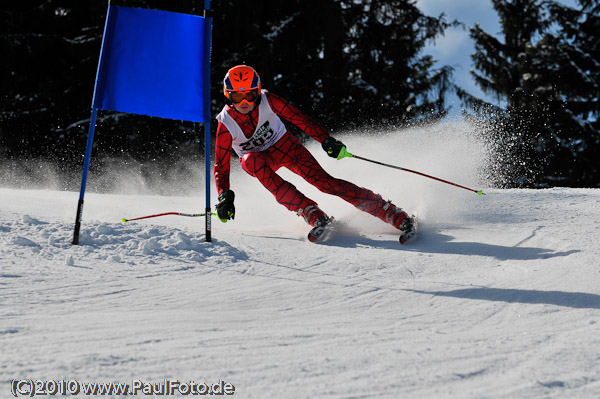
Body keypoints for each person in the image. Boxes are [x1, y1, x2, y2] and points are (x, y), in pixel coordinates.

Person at [214, 65, 414, 238]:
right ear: (228, 95)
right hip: (259, 161)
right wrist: (224, 195)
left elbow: (299, 119)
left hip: (286, 147)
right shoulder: (226, 124)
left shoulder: (268, 100)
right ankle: (309, 211)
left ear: (257, 92)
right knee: (251, 160)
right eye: (238, 96)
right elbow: (221, 167)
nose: (244, 103)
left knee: (325, 183)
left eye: (249, 95)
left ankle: (389, 211)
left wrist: (325, 139)